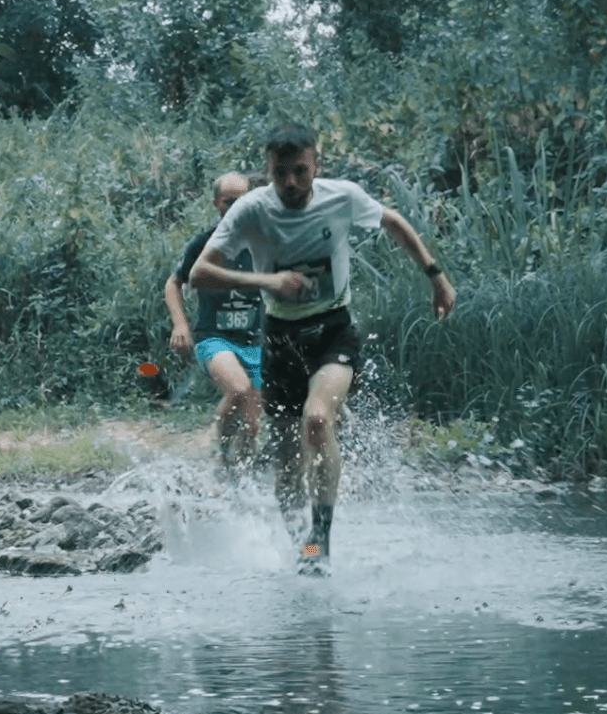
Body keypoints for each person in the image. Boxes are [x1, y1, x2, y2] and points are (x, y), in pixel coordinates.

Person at [190, 124, 455, 574]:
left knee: (317, 419)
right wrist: (268, 281)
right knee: (289, 462)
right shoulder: (251, 210)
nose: (291, 183)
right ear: (268, 171)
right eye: (280, 174)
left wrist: (436, 275)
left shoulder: (343, 196)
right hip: (278, 336)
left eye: (300, 171)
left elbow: (391, 220)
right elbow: (200, 274)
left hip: (333, 329)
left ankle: (319, 544)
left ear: (317, 164)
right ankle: (302, 549)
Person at [166, 171, 265, 464]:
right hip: (214, 337)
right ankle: (221, 455)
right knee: (238, 389)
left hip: (255, 340)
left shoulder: (265, 242)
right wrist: (180, 323)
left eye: (243, 201)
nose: (236, 208)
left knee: (252, 424)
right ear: (216, 204)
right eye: (228, 202)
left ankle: (242, 476)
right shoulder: (204, 244)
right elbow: (173, 283)